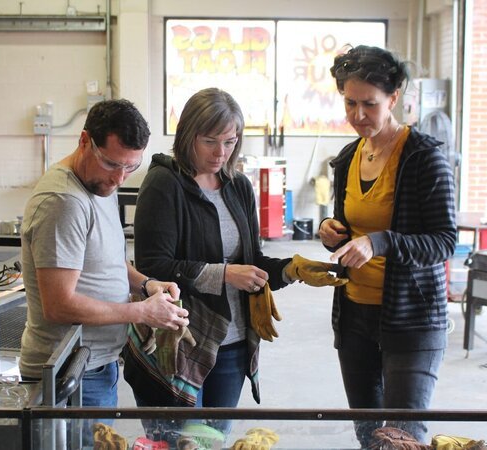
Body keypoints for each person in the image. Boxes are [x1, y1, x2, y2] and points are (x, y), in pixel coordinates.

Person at [121, 87, 346, 443]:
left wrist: (292, 269)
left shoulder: (238, 186)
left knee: (214, 440)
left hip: (234, 342)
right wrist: (224, 273)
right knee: (177, 441)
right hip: (178, 343)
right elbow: (154, 267)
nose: (220, 153)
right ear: (187, 135)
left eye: (230, 142)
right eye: (210, 141)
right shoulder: (165, 183)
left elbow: (251, 262)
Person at [18, 99, 189, 444]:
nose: (119, 177)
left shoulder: (100, 183)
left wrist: (147, 285)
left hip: (98, 365)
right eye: (112, 163)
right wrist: (142, 312)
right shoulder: (64, 201)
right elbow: (59, 305)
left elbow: (107, 260)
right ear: (84, 142)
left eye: (130, 166)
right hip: (69, 373)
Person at [318, 45, 456, 446]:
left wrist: (380, 243)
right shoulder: (348, 158)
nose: (358, 115)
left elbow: (445, 241)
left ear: (394, 98)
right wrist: (330, 229)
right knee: (369, 434)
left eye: (370, 104)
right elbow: (346, 223)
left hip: (412, 321)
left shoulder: (424, 158)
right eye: (350, 103)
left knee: (401, 438)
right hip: (355, 315)